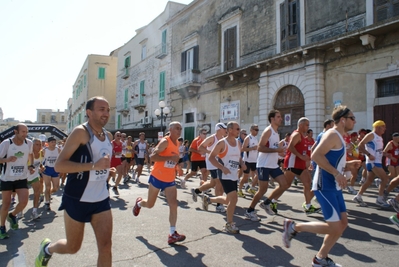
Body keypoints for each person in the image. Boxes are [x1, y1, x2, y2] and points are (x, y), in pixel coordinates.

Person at [35, 96, 113, 267]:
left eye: (108, 110)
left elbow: (100, 164)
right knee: (73, 247)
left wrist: (107, 171)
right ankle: (47, 249)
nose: (106, 113)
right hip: (77, 199)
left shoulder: (108, 136)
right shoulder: (80, 133)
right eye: (101, 109)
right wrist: (94, 166)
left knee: (106, 246)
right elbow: (60, 165)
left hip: (101, 199)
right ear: (89, 112)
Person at [283, 105, 360, 267]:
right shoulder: (332, 134)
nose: (355, 121)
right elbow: (316, 155)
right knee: (335, 226)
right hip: (325, 185)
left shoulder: (340, 136)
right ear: (343, 120)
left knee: (343, 224)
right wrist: (336, 174)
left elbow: (333, 162)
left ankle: (320, 258)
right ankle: (294, 226)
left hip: (335, 186)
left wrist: (348, 166)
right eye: (352, 118)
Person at [132, 122, 186, 245]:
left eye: (181, 129)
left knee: (173, 204)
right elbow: (153, 157)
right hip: (157, 177)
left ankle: (172, 234)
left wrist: (178, 168)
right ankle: (139, 203)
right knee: (150, 204)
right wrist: (169, 159)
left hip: (170, 179)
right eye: (177, 128)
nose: (179, 130)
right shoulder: (165, 142)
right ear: (170, 129)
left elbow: (173, 159)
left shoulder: (177, 143)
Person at [203, 121, 246, 234]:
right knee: (233, 199)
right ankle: (229, 224)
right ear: (230, 130)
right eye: (237, 129)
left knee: (228, 200)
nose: (239, 131)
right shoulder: (222, 143)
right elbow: (211, 157)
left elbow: (239, 157)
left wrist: (242, 163)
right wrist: (222, 168)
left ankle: (209, 199)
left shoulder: (238, 143)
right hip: (224, 175)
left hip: (233, 175)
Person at [245, 110, 287, 221]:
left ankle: (267, 203)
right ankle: (250, 210)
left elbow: (273, 148)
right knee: (262, 190)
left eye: (280, 116)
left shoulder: (276, 132)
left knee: (284, 184)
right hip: (263, 165)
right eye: (278, 116)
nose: (281, 118)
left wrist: (279, 152)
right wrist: (276, 150)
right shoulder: (268, 131)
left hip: (273, 164)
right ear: (272, 119)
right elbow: (260, 147)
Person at [0, 123, 34, 239]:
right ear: (16, 132)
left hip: (21, 177)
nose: (25, 134)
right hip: (7, 178)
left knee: (24, 202)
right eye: (23, 132)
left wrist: (30, 166)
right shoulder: (7, 143)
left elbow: (30, 155)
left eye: (26, 132)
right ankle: (2, 227)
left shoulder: (28, 143)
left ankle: (12, 215)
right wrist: (7, 159)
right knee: (6, 204)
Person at [353, 120, 390, 207]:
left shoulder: (379, 137)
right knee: (385, 179)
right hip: (373, 162)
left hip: (377, 161)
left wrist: (385, 154)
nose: (385, 129)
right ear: (378, 127)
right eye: (383, 127)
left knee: (369, 180)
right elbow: (360, 145)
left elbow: (378, 150)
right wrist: (368, 155)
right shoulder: (371, 135)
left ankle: (358, 196)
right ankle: (380, 199)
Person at [191, 122, 227, 212]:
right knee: (219, 183)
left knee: (212, 183)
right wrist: (210, 152)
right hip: (212, 163)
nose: (226, 130)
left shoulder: (223, 139)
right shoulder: (212, 138)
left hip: (220, 163)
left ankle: (196, 191)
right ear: (219, 129)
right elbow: (200, 147)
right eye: (224, 129)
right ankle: (219, 205)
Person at [238, 124, 259, 197]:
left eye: (258, 130)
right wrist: (252, 148)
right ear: (251, 130)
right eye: (256, 130)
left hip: (254, 160)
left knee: (258, 175)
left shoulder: (256, 138)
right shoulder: (248, 138)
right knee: (245, 177)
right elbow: (243, 149)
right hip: (247, 161)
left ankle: (252, 188)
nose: (257, 131)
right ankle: (239, 189)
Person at [42, 136, 61, 211]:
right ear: (48, 143)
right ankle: (47, 202)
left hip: (55, 169)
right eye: (52, 142)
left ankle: (47, 194)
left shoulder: (58, 150)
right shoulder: (44, 150)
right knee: (47, 186)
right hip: (47, 169)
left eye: (54, 142)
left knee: (56, 188)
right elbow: (40, 160)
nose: (53, 143)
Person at [28, 138, 45, 220]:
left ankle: (34, 211)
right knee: (23, 196)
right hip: (24, 177)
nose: (39, 146)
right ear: (32, 145)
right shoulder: (28, 153)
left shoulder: (41, 153)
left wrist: (42, 167)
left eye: (40, 145)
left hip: (34, 176)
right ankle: (19, 210)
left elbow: (40, 163)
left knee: (37, 192)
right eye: (37, 144)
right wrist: (29, 168)